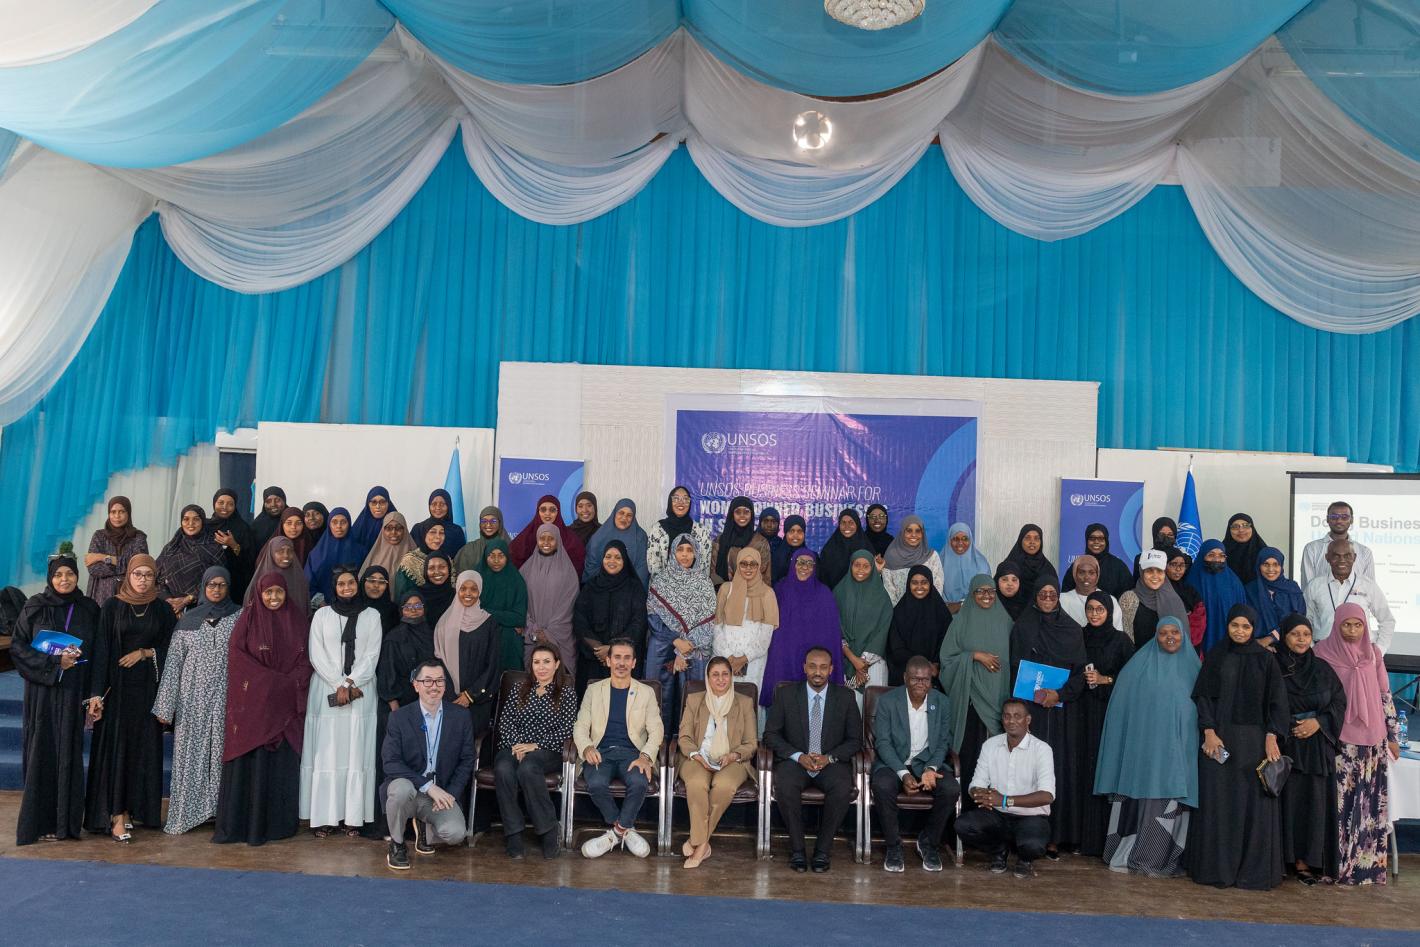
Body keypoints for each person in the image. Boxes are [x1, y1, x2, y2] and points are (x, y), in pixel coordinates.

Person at [1187, 603, 1289, 890]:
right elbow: (1204, 697)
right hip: (1219, 741)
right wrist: (1208, 731)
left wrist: (1272, 735)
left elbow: (1278, 702)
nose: (1240, 631)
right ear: (1227, 626)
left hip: (1254, 745)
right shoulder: (1217, 655)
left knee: (1253, 805)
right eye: (1235, 625)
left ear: (1253, 628)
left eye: (1246, 626)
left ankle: (1251, 873)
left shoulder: (1266, 660)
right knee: (1219, 803)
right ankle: (1217, 869)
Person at [1093, 616, 1200, 877]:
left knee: (1170, 803)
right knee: (1144, 801)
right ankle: (1133, 856)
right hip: (1144, 756)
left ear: (1183, 635)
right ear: (1155, 636)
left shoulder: (1195, 668)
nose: (1170, 637)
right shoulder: (1137, 667)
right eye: (1164, 633)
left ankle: (1164, 860)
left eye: (1175, 632)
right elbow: (1121, 709)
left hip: (1178, 755)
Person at [212, 573, 311, 846]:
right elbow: (238, 659)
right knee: (252, 764)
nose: (274, 597)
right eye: (268, 592)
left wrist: (283, 686)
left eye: (279, 592)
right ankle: (244, 826)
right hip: (253, 710)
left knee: (279, 768)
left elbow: (306, 661)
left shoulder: (298, 622)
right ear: (259, 594)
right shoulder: (248, 620)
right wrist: (272, 683)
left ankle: (277, 826)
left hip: (285, 711)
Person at [85, 554, 176, 841]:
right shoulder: (112, 607)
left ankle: (133, 809)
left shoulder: (162, 609)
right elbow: (101, 650)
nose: (143, 580)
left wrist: (146, 653)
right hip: (117, 690)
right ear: (128, 576)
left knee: (141, 750)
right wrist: (95, 694)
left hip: (148, 690)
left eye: (148, 575)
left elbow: (172, 650)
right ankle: (115, 815)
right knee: (117, 750)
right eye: (138, 574)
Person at [12, 553, 101, 845]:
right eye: (58, 574)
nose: (64, 579)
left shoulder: (89, 608)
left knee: (68, 755)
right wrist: (53, 664)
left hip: (73, 692)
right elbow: (18, 647)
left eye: (70, 574)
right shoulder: (35, 606)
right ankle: (39, 823)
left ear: (78, 576)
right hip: (41, 694)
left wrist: (93, 693)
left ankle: (65, 824)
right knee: (41, 752)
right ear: (50, 578)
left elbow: (98, 652)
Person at [1316, 604, 1401, 886]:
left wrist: (1392, 737)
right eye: (1346, 625)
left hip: (1373, 741)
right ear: (1336, 625)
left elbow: (1384, 695)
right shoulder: (1322, 653)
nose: (1352, 631)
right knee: (1341, 804)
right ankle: (1337, 865)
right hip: (1339, 740)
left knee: (1369, 804)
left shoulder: (1373, 654)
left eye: (1358, 625)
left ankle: (1366, 867)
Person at [153, 566, 239, 835]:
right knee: (191, 754)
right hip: (192, 700)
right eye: (211, 584)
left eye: (222, 585)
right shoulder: (188, 620)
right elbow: (173, 664)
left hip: (227, 698)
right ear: (203, 587)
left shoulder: (240, 617)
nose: (216, 589)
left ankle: (219, 812)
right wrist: (166, 706)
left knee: (222, 753)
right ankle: (190, 812)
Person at [764, 646, 863, 873]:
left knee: (842, 788)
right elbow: (770, 735)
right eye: (813, 666)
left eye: (823, 667)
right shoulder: (787, 695)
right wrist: (798, 756)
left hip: (830, 762)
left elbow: (855, 740)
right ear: (804, 668)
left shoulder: (846, 697)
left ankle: (822, 851)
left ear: (831, 670)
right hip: (797, 761)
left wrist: (830, 758)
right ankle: (798, 851)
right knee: (785, 786)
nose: (818, 672)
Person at [301, 565, 383, 837]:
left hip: (360, 691)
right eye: (341, 584)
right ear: (334, 588)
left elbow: (371, 655)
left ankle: (352, 817)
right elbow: (316, 653)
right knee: (327, 753)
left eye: (351, 583)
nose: (347, 588)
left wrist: (350, 683)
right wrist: (338, 683)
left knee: (355, 753)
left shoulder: (372, 615)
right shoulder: (322, 615)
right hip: (327, 689)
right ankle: (325, 817)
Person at [1008, 576, 1087, 855]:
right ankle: (1025, 833)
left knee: (1059, 769)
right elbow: (1014, 669)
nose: (1048, 599)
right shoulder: (1023, 627)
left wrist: (1059, 695)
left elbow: (1079, 674)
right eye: (1043, 594)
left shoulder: (1072, 630)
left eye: (1053, 595)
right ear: (1034, 596)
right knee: (1028, 769)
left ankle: (1057, 835)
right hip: (1031, 713)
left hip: (1062, 713)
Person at [382, 660, 476, 870]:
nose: (434, 686)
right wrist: (428, 786)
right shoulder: (399, 718)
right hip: (410, 790)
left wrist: (451, 793)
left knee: (455, 833)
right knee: (400, 789)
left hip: (440, 793)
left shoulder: (460, 717)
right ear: (416, 685)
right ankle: (397, 844)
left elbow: (467, 760)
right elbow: (391, 763)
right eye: (427, 681)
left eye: (439, 681)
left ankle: (424, 825)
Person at [1273, 613, 1345, 884]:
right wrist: (1288, 725)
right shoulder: (1273, 665)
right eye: (1295, 634)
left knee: (1312, 803)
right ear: (1285, 636)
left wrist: (1319, 723)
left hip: (1316, 746)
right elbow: (1266, 701)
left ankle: (1307, 860)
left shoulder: (1322, 668)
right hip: (1286, 743)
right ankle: (1284, 859)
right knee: (1286, 802)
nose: (1301, 639)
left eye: (1306, 634)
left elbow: (1338, 702)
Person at [574, 639, 663, 859]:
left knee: (639, 782)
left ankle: (614, 835)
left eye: (626, 658)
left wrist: (645, 757)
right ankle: (626, 830)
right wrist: (586, 748)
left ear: (634, 663)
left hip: (633, 754)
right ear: (608, 661)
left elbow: (657, 730)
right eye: (617, 657)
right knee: (596, 783)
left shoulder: (646, 692)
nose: (621, 663)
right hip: (600, 752)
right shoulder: (594, 690)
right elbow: (580, 726)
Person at [871, 656, 959, 873]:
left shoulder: (942, 702)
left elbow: (943, 742)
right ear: (904, 678)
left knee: (951, 789)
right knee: (882, 785)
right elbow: (883, 743)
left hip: (927, 762)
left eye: (926, 679)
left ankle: (928, 842)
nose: (921, 684)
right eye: (915, 679)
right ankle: (893, 846)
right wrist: (903, 773)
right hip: (894, 762)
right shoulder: (888, 701)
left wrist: (931, 769)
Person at [495, 644, 579, 859]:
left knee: (528, 768)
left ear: (557, 664)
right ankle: (513, 833)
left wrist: (535, 745)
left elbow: (568, 729)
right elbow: (505, 721)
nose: (541, 667)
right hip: (514, 746)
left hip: (548, 749)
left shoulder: (566, 692)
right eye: (536, 662)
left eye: (546, 662)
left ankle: (549, 829)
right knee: (503, 768)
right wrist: (517, 744)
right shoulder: (519, 688)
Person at [957, 698, 1055, 878]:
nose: (1011, 721)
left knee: (1033, 845)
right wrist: (979, 793)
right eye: (1007, 716)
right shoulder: (990, 745)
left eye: (1017, 716)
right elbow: (976, 783)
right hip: (997, 814)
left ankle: (1025, 859)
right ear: (1002, 719)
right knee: (963, 825)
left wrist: (1004, 800)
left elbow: (1047, 796)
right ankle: (999, 850)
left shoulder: (1042, 749)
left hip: (1030, 816)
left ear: (1028, 720)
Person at [938, 574, 1012, 812]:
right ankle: (968, 816)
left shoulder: (1006, 622)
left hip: (999, 701)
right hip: (971, 702)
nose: (986, 596)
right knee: (971, 758)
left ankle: (994, 817)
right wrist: (974, 656)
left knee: (998, 763)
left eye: (990, 591)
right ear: (971, 594)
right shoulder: (960, 622)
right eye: (980, 591)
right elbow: (947, 660)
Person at [676, 656, 757, 869]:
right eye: (715, 675)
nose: (721, 679)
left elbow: (751, 743)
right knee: (696, 783)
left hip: (732, 760)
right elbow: (684, 737)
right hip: (698, 757)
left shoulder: (744, 702)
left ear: (731, 676)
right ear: (707, 678)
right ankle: (703, 844)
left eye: (725, 674)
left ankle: (699, 843)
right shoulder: (695, 700)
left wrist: (733, 755)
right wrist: (696, 755)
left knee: (724, 785)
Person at [1075, 591, 1134, 856]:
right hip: (1079, 714)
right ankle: (1078, 837)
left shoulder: (1121, 641)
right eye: (1090, 609)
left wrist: (1105, 679)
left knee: (1105, 769)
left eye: (1100, 609)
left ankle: (1104, 840)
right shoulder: (1077, 636)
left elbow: (1131, 679)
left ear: (1110, 612)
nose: (1095, 614)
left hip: (1109, 714)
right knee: (1081, 770)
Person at [646, 533, 718, 733]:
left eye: (689, 550)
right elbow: (653, 617)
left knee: (691, 697)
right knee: (660, 696)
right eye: (680, 550)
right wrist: (676, 641)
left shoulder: (704, 583)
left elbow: (709, 620)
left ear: (696, 554)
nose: (685, 555)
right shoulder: (660, 581)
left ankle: (687, 742)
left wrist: (685, 648)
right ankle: (660, 742)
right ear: (672, 553)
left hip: (694, 649)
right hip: (664, 645)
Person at [761, 549, 844, 705]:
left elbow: (831, 633)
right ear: (793, 564)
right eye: (800, 562)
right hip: (784, 655)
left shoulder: (824, 593)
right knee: (782, 701)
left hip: (814, 658)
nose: (805, 567)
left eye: (810, 563)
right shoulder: (780, 590)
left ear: (815, 567)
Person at [573, 540, 648, 693]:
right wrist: (598, 649)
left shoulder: (634, 588)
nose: (612, 561)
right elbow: (580, 620)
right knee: (593, 699)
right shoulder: (590, 587)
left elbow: (639, 623)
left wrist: (613, 649)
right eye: (608, 557)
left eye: (618, 557)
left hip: (624, 658)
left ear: (625, 560)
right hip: (593, 658)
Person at [433, 571, 500, 738]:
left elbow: (493, 664)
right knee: (447, 742)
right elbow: (438, 662)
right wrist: (451, 695)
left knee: (471, 743)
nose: (468, 593)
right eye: (463, 588)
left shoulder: (489, 622)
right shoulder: (444, 623)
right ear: (457, 589)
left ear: (480, 591)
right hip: (448, 698)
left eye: (473, 589)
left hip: (478, 700)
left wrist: (470, 695)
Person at [1303, 538, 1395, 653]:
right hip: (1323, 653)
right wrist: (1312, 649)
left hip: (1360, 654)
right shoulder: (1314, 586)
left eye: (1347, 556)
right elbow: (1304, 621)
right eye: (1336, 556)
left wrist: (1379, 651)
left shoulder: (1368, 586)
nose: (1342, 560)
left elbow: (1387, 620)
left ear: (1354, 558)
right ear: (1327, 558)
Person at [712, 546, 779, 699]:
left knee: (748, 703)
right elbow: (716, 627)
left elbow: (765, 637)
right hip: (723, 659)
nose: (748, 568)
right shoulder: (726, 589)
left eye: (753, 564)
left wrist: (743, 660)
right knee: (721, 702)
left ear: (759, 566)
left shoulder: (768, 593)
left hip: (753, 662)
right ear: (737, 565)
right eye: (743, 563)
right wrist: (729, 659)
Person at [520, 523, 581, 670]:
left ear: (558, 540)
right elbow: (520, 603)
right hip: (531, 635)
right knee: (532, 677)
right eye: (542, 538)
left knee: (557, 678)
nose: (546, 542)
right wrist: (534, 629)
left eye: (551, 538)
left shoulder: (568, 572)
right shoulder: (525, 570)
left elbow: (568, 607)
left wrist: (548, 633)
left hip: (559, 636)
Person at [835, 549, 892, 700]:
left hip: (874, 664)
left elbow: (882, 631)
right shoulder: (839, 593)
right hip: (845, 661)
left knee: (873, 706)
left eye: (866, 566)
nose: (861, 570)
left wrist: (863, 663)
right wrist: (854, 660)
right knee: (849, 708)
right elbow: (834, 628)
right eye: (857, 565)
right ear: (850, 566)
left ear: (872, 568)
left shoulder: (882, 597)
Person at [886, 565, 952, 686]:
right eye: (914, 583)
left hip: (936, 674)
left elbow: (948, 643)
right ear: (908, 584)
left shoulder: (941, 612)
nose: (919, 587)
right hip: (905, 672)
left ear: (930, 583)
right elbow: (896, 649)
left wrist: (936, 664)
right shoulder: (899, 613)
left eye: (924, 582)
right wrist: (924, 665)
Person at [156, 504, 224, 616]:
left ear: (203, 522)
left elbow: (219, 579)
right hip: (168, 608)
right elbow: (155, 577)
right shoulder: (172, 546)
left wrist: (187, 599)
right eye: (186, 519)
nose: (190, 524)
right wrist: (169, 600)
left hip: (202, 609)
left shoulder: (213, 548)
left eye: (196, 519)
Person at [84, 496, 148, 606]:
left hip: (131, 594)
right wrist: (125, 568)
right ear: (109, 514)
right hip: (101, 595)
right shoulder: (99, 536)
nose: (117, 516)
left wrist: (103, 558)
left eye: (121, 512)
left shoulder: (138, 537)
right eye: (113, 512)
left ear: (128, 513)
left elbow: (139, 565)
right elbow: (94, 569)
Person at [478, 537, 529, 671]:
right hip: (482, 638)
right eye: (491, 556)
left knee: (509, 679)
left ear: (507, 557)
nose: (496, 560)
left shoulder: (516, 580)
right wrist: (506, 618)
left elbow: (519, 618)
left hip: (508, 642)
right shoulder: (476, 578)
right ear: (485, 557)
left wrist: (485, 611)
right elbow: (472, 611)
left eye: (501, 556)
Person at [1186, 540, 1246, 652]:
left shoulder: (1234, 581)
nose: (1217, 559)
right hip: (1199, 638)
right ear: (1202, 556)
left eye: (1221, 556)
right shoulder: (1192, 580)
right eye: (1211, 555)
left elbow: (1242, 611)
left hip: (1229, 638)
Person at [1119, 550, 1186, 649]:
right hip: (1138, 657)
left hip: (1168, 656)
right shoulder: (1129, 599)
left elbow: (1182, 637)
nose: (1155, 576)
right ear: (1142, 572)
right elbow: (1126, 639)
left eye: (1159, 571)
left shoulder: (1173, 599)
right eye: (1149, 570)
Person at [1300, 500, 1375, 586]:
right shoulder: (1312, 549)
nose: (1339, 521)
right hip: (1319, 595)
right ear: (1327, 519)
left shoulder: (1365, 552)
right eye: (1334, 516)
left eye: (1344, 517)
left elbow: (1370, 588)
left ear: (1351, 520)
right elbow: (1308, 586)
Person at [508, 495, 586, 574]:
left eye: (552, 510)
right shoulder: (526, 537)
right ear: (538, 512)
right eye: (543, 509)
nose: (547, 513)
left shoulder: (571, 540)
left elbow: (576, 568)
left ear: (558, 512)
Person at [645, 486, 711, 578]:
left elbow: (705, 566)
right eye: (676, 498)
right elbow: (653, 566)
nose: (681, 502)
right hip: (663, 584)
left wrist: (693, 584)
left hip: (694, 584)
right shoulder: (657, 529)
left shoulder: (702, 531)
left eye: (685, 499)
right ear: (670, 502)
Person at [583, 498, 650, 587]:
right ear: (615, 513)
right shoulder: (600, 535)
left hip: (629, 588)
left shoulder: (640, 537)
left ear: (633, 517)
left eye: (629, 515)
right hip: (601, 586)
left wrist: (627, 589)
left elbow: (642, 569)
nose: (624, 518)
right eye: (621, 513)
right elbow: (591, 566)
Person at [1245, 547, 1305, 645]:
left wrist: (1270, 638)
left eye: (1275, 564)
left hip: (1290, 644)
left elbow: (1299, 619)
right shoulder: (1250, 590)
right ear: (1259, 566)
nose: (1271, 569)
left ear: (1281, 566)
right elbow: (1246, 621)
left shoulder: (1292, 589)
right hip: (1257, 644)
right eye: (1266, 564)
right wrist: (1258, 644)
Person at [881, 515, 946, 605]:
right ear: (902, 532)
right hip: (900, 611)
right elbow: (889, 591)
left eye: (918, 531)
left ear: (922, 533)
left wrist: (927, 609)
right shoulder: (890, 557)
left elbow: (938, 587)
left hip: (928, 609)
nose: (914, 535)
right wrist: (901, 611)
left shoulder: (932, 557)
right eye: (909, 530)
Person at [1061, 524, 1133, 599]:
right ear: (1087, 541)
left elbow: (1128, 596)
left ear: (1106, 541)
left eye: (1101, 539)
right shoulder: (1078, 564)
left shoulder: (1118, 566)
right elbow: (1066, 594)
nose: (1096, 542)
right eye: (1092, 538)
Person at [303, 506, 358, 604]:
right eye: (334, 522)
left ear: (349, 524)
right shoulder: (316, 553)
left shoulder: (361, 551)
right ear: (329, 525)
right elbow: (307, 582)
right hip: (323, 607)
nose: (339, 526)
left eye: (343, 522)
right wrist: (320, 603)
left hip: (354, 604)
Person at [710, 497, 769, 587]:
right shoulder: (720, 540)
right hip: (723, 592)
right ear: (732, 514)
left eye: (746, 512)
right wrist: (725, 591)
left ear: (751, 514)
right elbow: (713, 573)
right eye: (738, 512)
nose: (742, 515)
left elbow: (764, 576)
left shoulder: (760, 542)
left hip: (752, 592)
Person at [210, 488, 255, 600]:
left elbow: (249, 561)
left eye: (230, 504)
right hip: (209, 583)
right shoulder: (206, 526)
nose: (225, 507)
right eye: (221, 503)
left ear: (235, 506)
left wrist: (233, 544)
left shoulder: (243, 528)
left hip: (235, 585)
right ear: (214, 503)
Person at [1059, 554, 1123, 633]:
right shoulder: (1062, 600)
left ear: (1097, 575)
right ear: (1074, 574)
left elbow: (1117, 633)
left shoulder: (1110, 600)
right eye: (1081, 572)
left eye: (1091, 573)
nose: (1086, 577)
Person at [244, 536, 310, 609]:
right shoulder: (260, 579)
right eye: (280, 552)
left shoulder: (299, 578)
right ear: (271, 553)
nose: (286, 555)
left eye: (290, 551)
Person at [817, 508, 873, 590]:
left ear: (857, 524)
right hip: (834, 595)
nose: (847, 526)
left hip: (861, 595)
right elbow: (823, 578)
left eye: (851, 522)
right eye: (843, 523)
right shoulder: (829, 549)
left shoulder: (866, 548)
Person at [393, 522, 450, 603]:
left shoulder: (446, 558)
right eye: (433, 532)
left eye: (441, 533)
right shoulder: (409, 561)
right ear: (423, 534)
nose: (438, 537)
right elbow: (402, 595)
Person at [1163, 546, 1207, 651]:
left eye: (1182, 565)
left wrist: (1187, 640)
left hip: (1188, 643)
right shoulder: (1158, 590)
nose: (1178, 569)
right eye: (1173, 564)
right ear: (1164, 565)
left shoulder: (1189, 590)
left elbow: (1199, 618)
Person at [940, 522, 990, 611]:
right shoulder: (940, 562)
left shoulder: (981, 563)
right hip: (945, 612)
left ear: (970, 540)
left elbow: (986, 592)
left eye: (965, 539)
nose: (960, 543)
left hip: (975, 611)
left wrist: (961, 605)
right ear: (949, 541)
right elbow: (936, 590)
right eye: (955, 539)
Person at [360, 512, 415, 587]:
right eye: (389, 528)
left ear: (404, 530)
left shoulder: (416, 557)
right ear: (383, 530)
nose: (393, 532)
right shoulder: (374, 555)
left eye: (398, 528)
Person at [453, 505, 510, 576]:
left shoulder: (510, 548)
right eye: (484, 521)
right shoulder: (468, 550)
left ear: (500, 523)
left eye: (493, 521)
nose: (488, 524)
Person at [1001, 524, 1057, 595]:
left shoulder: (1048, 569)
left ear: (1041, 542)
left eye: (1036, 538)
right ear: (1020, 540)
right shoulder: (1009, 566)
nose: (1032, 542)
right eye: (1027, 538)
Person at [409, 488, 467, 554]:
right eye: (434, 504)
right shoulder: (418, 529)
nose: (438, 508)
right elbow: (409, 555)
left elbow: (462, 556)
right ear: (429, 506)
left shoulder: (457, 531)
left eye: (442, 504)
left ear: (448, 506)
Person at [350, 486, 397, 555]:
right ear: (368, 504)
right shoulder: (359, 527)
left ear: (388, 503)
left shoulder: (397, 524)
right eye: (374, 502)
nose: (378, 506)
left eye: (382, 502)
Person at [1223, 513, 1267, 585]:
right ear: (1229, 530)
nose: (1241, 530)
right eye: (1235, 527)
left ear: (1252, 528)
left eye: (1246, 526)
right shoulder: (1220, 553)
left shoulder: (1264, 552)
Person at [417, 554, 455, 628]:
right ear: (425, 571)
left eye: (442, 567)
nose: (437, 572)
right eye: (431, 568)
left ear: (449, 569)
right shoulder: (416, 596)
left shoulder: (456, 595)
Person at [358, 565, 400, 630]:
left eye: (382, 582)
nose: (376, 585)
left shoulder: (393, 611)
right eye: (371, 580)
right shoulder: (351, 607)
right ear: (363, 582)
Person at [772, 514, 809, 585]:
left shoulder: (810, 557)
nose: (795, 535)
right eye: (791, 531)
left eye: (799, 531)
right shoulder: (776, 556)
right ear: (785, 533)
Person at [249, 486, 288, 551]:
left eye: (277, 500)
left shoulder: (292, 519)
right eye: (268, 501)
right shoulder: (257, 525)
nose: (273, 504)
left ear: (284, 500)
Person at [757, 507, 785, 576]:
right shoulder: (752, 542)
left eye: (773, 521)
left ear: (778, 524)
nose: (769, 525)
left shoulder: (782, 545)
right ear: (760, 523)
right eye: (766, 521)